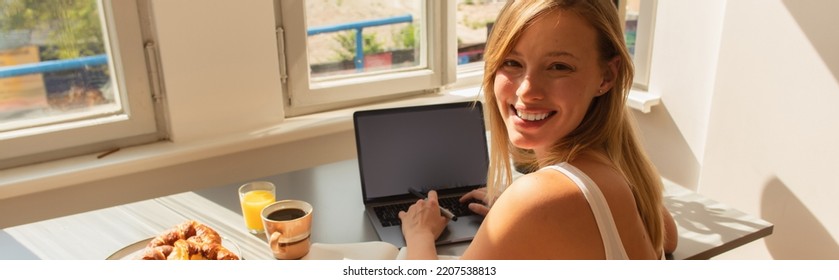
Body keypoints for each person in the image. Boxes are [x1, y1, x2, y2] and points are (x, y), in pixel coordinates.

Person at [398, 0, 678, 259]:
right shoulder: (619, 171)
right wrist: (519, 217)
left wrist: (419, 235)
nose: (527, 90)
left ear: (607, 77)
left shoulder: (535, 198)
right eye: (512, 62)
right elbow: (668, 238)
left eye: (559, 66)